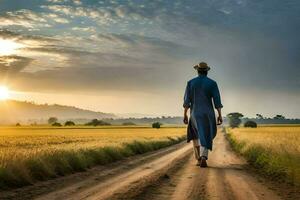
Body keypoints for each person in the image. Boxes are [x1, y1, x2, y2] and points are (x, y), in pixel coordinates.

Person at [183, 62, 223, 168]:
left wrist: (185, 115)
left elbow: (187, 101)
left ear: (197, 71)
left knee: (195, 134)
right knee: (206, 134)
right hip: (208, 114)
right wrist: (219, 115)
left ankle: (198, 158)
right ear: (207, 72)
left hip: (195, 113)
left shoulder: (190, 83)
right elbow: (217, 101)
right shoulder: (212, 83)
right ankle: (204, 156)